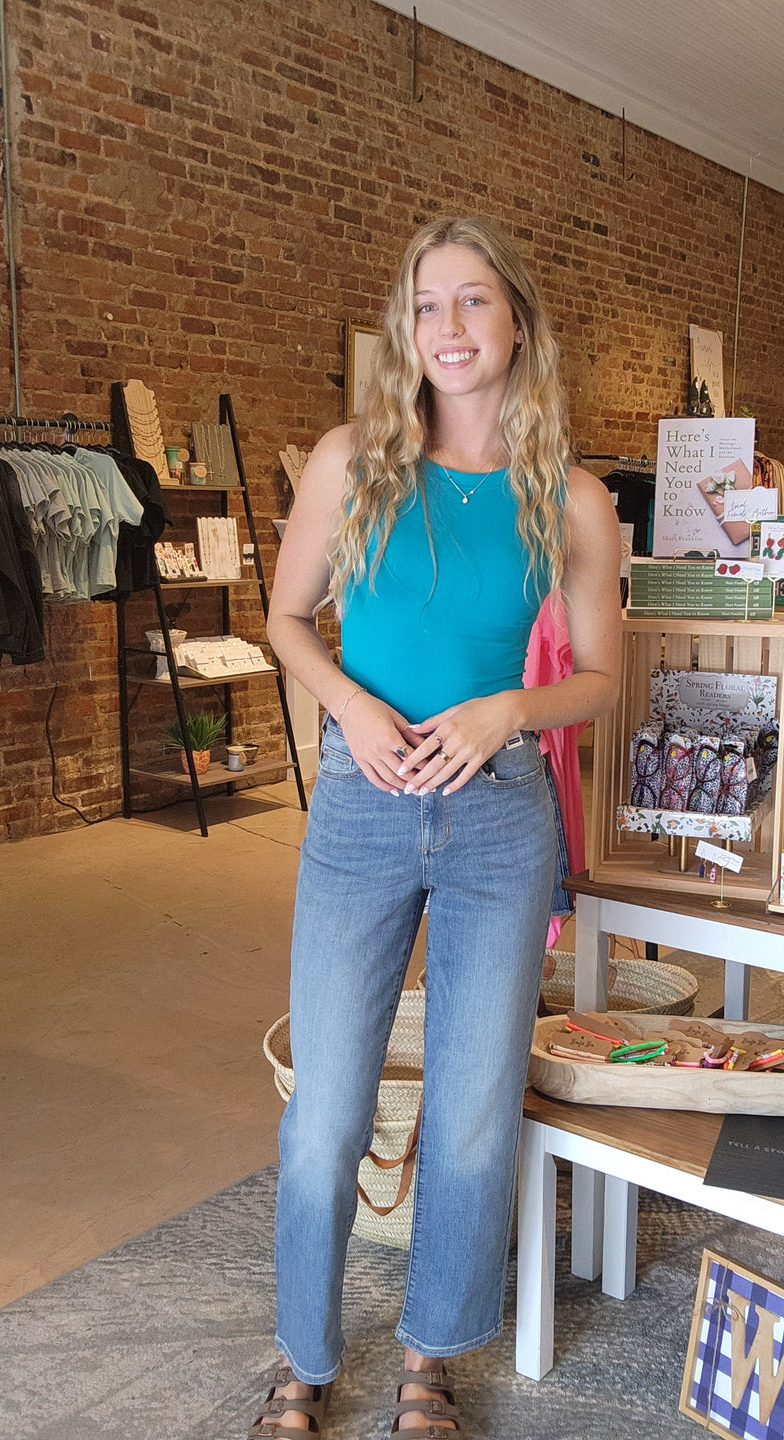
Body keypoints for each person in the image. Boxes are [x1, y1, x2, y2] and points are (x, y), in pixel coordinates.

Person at [255, 215, 621, 1438]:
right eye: (426, 306)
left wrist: (514, 706)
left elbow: (601, 681)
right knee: (330, 1106)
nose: (449, 328)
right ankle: (301, 1358)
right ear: (404, 330)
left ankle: (430, 1359)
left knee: (471, 1107)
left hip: (500, 813)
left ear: (517, 320)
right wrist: (353, 710)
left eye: (472, 302)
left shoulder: (567, 495)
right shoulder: (349, 460)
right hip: (363, 801)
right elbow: (286, 618)